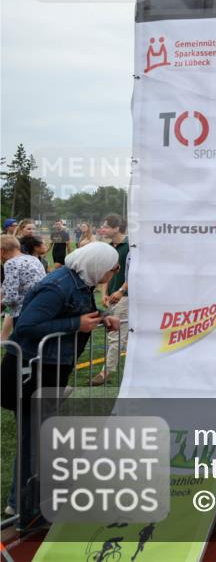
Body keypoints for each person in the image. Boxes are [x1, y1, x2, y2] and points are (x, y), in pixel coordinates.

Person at [0, 241, 122, 525]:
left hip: (49, 369)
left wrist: (103, 319)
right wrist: (75, 325)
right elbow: (28, 325)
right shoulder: (58, 286)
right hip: (33, 371)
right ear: (96, 264)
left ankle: (27, 502)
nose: (114, 271)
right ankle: (24, 508)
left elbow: (73, 316)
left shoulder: (77, 282)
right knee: (34, 439)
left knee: (42, 438)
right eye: (111, 266)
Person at [88, 214, 128, 386]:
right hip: (113, 296)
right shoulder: (109, 247)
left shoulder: (131, 246)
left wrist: (121, 290)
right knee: (117, 334)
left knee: (115, 335)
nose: (102, 229)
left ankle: (106, 372)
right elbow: (108, 272)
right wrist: (105, 292)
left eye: (106, 226)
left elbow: (134, 272)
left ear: (117, 228)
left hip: (126, 296)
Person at [1, 235, 46, 341]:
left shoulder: (10, 263)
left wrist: (2, 304)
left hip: (22, 313)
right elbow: (8, 284)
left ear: (1, 251)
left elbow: (11, 297)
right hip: (39, 308)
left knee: (19, 350)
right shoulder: (34, 259)